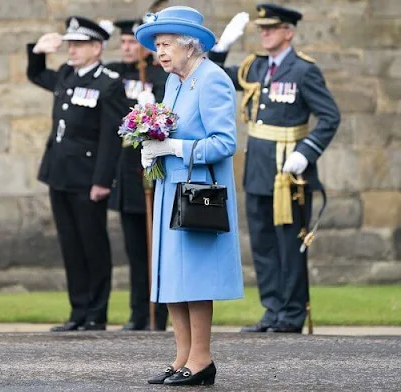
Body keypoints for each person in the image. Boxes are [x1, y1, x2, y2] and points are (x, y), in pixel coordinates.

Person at [209, 3, 340, 334]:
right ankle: (272, 310)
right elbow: (215, 80)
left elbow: (329, 116)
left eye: (271, 28)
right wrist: (220, 49)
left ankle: (292, 314)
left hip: (289, 173)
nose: (264, 33)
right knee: (263, 245)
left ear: (288, 32)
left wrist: (306, 152)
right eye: (262, 28)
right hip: (258, 169)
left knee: (288, 244)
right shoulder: (255, 67)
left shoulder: (303, 70)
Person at [134, 6, 244, 386]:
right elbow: (168, 128)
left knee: (195, 279)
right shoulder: (175, 82)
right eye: (158, 45)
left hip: (198, 193)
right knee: (171, 277)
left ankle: (202, 359)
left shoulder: (212, 79)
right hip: (171, 189)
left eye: (166, 45)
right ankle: (182, 356)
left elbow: (225, 143)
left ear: (189, 46)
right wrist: (151, 145)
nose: (160, 52)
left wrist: (174, 149)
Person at [26, 16, 130, 332]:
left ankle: (96, 312)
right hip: (59, 173)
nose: (71, 50)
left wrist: (102, 181)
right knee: (70, 244)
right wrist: (37, 51)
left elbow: (111, 138)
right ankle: (78, 310)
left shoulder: (108, 83)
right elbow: (36, 74)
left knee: (92, 244)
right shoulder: (65, 75)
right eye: (70, 44)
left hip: (88, 178)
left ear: (97, 48)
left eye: (79, 45)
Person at [107, 18, 169, 332]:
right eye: (123, 42)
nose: (127, 48)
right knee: (134, 249)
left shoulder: (158, 74)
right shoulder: (115, 74)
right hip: (126, 170)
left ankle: (159, 313)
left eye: (133, 42)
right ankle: (137, 312)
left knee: (154, 248)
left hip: (152, 170)